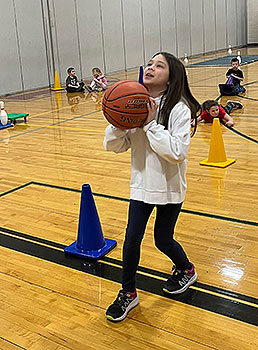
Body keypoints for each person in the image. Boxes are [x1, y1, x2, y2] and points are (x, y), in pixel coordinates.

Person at [104, 52, 200, 322]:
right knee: (131, 238)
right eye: (149, 63)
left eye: (159, 65)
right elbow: (115, 147)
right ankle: (128, 292)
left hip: (169, 187)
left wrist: (149, 124)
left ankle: (186, 269)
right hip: (142, 186)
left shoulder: (180, 109)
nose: (151, 68)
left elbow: (177, 152)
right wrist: (117, 125)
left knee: (162, 239)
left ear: (171, 78)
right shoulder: (133, 104)